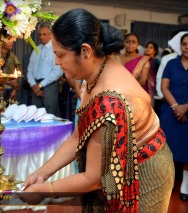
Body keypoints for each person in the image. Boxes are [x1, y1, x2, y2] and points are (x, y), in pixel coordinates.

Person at [20, 8, 174, 212]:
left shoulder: (110, 101)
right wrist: (42, 172)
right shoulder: (93, 73)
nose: (56, 62)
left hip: (145, 169)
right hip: (117, 165)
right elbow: (77, 137)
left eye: (60, 55)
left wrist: (44, 190)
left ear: (85, 51)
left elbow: (92, 179)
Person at [160, 33, 188, 201]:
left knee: (187, 150)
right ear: (180, 45)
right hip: (171, 112)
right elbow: (164, 87)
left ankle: (185, 185)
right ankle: (168, 183)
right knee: (167, 149)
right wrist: (176, 107)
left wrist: (186, 107)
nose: (187, 46)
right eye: (184, 43)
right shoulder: (171, 63)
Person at [27, 22, 63, 115]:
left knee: (50, 116)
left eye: (44, 34)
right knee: (34, 116)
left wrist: (40, 86)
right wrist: (34, 85)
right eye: (40, 34)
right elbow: (29, 71)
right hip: (35, 86)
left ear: (51, 35)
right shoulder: (36, 49)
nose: (41, 37)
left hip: (49, 86)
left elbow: (57, 72)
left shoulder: (55, 49)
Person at [114, 34, 154, 100]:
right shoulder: (115, 58)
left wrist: (126, 92)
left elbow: (142, 81)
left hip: (133, 96)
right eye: (128, 41)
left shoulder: (143, 60)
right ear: (124, 43)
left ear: (137, 44)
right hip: (115, 93)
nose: (130, 44)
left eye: (133, 42)